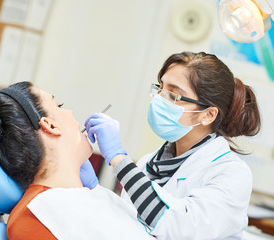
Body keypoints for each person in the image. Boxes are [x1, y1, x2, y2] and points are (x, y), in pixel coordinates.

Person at [83, 51, 261, 240]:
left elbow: (179, 227)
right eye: (160, 88)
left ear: (208, 114)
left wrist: (118, 159)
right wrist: (94, 189)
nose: (159, 99)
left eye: (174, 96)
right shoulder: (148, 163)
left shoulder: (230, 173)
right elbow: (125, 223)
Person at [0, 82, 155, 240]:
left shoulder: (71, 200)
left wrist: (96, 190)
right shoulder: (41, 214)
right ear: (50, 125)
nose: (70, 113)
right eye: (59, 106)